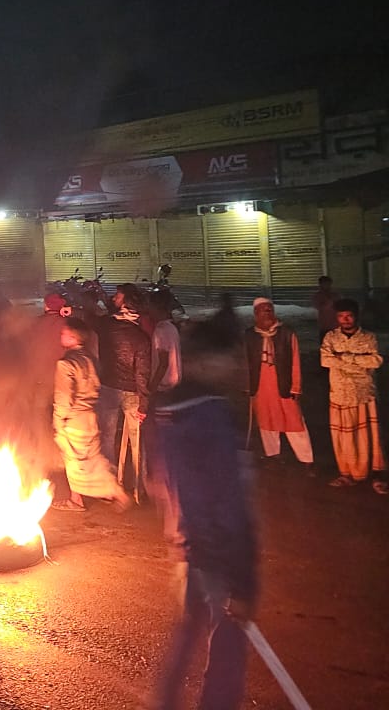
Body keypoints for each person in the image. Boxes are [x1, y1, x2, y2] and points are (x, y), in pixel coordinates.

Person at [147, 323, 258, 710]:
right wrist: (243, 580)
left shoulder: (168, 413)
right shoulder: (211, 417)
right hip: (218, 555)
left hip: (190, 545)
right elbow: (227, 501)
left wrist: (184, 537)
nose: (235, 369)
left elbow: (161, 481)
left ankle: (164, 703)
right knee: (227, 644)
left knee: (188, 627)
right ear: (208, 362)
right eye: (229, 359)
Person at [51, 319, 128, 511]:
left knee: (74, 461)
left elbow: (63, 396)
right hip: (91, 416)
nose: (61, 336)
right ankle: (105, 491)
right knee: (92, 458)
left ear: (72, 337)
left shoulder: (66, 363)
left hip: (74, 419)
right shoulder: (90, 358)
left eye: (64, 333)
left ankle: (83, 499)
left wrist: (58, 423)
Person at [320, 299, 385, 490]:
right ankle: (347, 474)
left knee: (369, 437)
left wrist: (343, 357)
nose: (345, 319)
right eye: (341, 316)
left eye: (348, 315)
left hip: (364, 393)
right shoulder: (330, 338)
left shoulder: (369, 337)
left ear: (356, 316)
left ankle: (376, 476)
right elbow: (325, 360)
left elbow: (375, 361)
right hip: (340, 394)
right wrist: (358, 362)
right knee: (345, 438)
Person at [244, 297, 313, 471]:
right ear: (256, 314)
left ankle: (306, 459)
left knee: (293, 421)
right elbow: (244, 362)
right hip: (260, 385)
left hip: (283, 384)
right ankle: (272, 455)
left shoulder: (287, 334)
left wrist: (296, 386)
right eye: (263, 310)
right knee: (266, 421)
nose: (267, 313)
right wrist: (246, 385)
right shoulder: (250, 335)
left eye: (270, 309)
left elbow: (295, 360)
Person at [96, 288, 152, 484]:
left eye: (118, 295)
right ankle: (140, 484)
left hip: (108, 388)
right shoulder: (141, 336)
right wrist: (144, 404)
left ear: (125, 302)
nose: (114, 298)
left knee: (106, 437)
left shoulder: (105, 326)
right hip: (132, 392)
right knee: (137, 442)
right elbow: (142, 374)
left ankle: (109, 483)